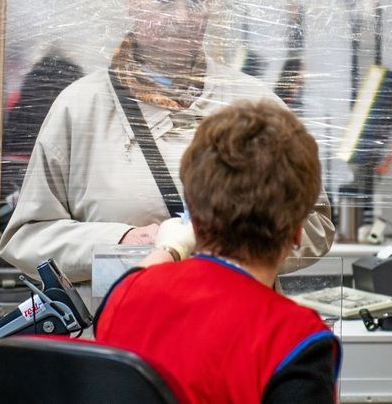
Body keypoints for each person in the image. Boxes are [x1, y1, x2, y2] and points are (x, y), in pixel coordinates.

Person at [0, 0, 335, 283]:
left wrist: (233, 249)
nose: (181, 17)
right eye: (165, 1)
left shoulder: (254, 103)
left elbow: (316, 223)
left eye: (195, 1)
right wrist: (120, 241)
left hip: (233, 327)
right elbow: (28, 238)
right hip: (125, 330)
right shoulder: (81, 108)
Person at [93, 100, 341, 403]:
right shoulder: (297, 338)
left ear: (193, 217)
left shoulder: (124, 297)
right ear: (297, 231)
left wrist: (173, 247)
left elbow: (136, 278)